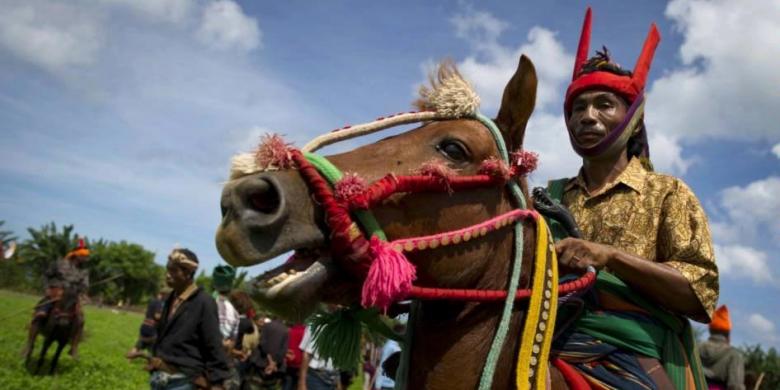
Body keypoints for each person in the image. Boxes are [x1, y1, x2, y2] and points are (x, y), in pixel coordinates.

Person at [546, 8, 719, 389]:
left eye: (604, 105)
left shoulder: (668, 193)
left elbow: (699, 294)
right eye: (577, 107)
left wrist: (609, 257)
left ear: (633, 118)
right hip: (548, 341)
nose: (586, 117)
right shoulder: (547, 197)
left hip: (635, 357)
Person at [149, 248, 230, 389]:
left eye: (174, 271)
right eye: (167, 270)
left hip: (184, 381)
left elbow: (213, 344)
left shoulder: (204, 302)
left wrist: (217, 382)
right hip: (161, 377)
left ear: (188, 273)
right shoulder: (171, 298)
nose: (168, 275)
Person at [25, 238, 90, 360]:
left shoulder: (84, 271)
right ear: (77, 255)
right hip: (56, 293)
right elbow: (46, 275)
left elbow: (85, 285)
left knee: (80, 319)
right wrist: (47, 289)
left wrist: (82, 293)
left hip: (72, 297)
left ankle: (74, 348)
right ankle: (30, 344)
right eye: (84, 256)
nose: (86, 259)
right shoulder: (59, 263)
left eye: (86, 256)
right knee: (40, 314)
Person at [699, 306, 745, 390]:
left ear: (710, 330)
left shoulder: (696, 348)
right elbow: (735, 386)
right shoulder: (734, 355)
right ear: (728, 333)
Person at [127, 287, 171, 360]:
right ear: (164, 295)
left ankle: (129, 359)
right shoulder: (159, 303)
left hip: (145, 325)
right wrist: (165, 317)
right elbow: (157, 316)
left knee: (140, 344)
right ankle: (150, 362)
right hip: (152, 327)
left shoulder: (152, 301)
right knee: (153, 346)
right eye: (168, 296)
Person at [298, 324, 339, 390]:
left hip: (332, 376)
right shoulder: (319, 322)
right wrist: (302, 383)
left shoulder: (341, 322)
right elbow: (307, 353)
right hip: (317, 376)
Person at [374, 324, 404, 390]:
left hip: (385, 382)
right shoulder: (394, 348)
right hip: (388, 383)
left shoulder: (388, 344)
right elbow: (383, 364)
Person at [283, 323, 306, 390]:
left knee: (287, 382)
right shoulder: (304, 333)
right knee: (295, 384)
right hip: (299, 364)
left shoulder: (290, 331)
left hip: (288, 360)